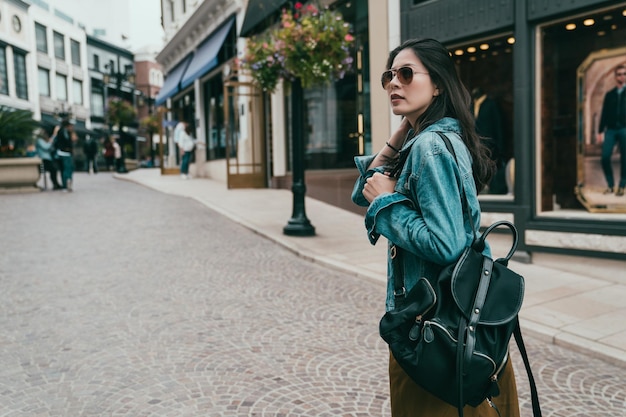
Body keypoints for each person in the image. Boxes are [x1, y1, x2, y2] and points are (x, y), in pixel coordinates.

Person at [351, 38, 519, 417]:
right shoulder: (426, 139)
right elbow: (361, 194)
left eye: (407, 74)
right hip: (447, 323)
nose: (395, 82)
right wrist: (401, 134)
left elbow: (446, 244)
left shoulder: (431, 147)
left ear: (438, 83)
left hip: (433, 330)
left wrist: (387, 202)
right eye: (389, 76)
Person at [471, 87, 507, 194]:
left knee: (491, 167)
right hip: (475, 144)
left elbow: (498, 126)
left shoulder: (490, 105)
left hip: (490, 144)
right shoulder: (471, 105)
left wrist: (500, 146)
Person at [597, 64, 626, 197]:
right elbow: (604, 113)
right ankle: (610, 185)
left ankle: (621, 185)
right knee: (604, 157)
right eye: (619, 74)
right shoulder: (610, 95)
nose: (622, 76)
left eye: (624, 74)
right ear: (615, 77)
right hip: (611, 130)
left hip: (624, 129)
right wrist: (600, 131)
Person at [54, 119, 76, 192]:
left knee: (63, 170)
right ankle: (67, 184)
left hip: (60, 152)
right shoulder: (65, 132)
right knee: (67, 169)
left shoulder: (60, 131)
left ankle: (65, 185)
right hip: (65, 153)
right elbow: (70, 141)